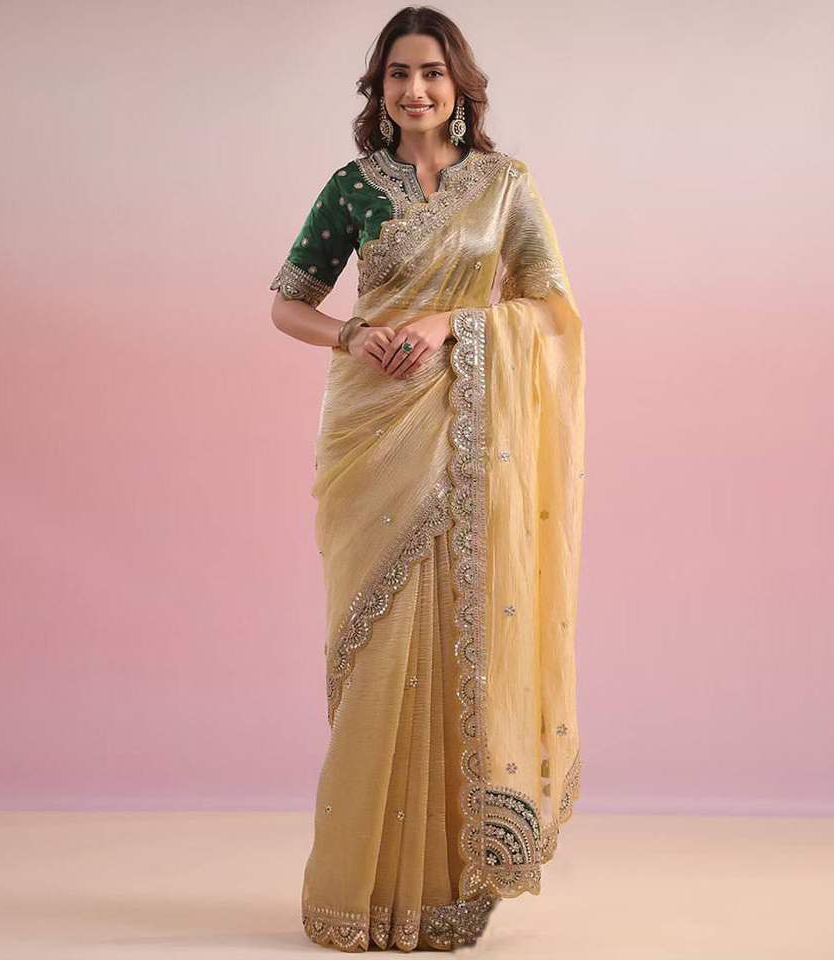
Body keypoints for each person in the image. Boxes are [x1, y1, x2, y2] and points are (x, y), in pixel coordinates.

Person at [270, 6, 585, 952]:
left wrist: (455, 322)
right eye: (399, 74)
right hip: (371, 437)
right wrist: (353, 334)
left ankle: (448, 888)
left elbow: (552, 310)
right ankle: (359, 893)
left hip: (467, 428)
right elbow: (287, 304)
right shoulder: (351, 188)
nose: (416, 90)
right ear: (379, 89)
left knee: (458, 636)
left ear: (460, 87)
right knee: (375, 647)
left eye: (432, 73)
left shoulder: (505, 185)